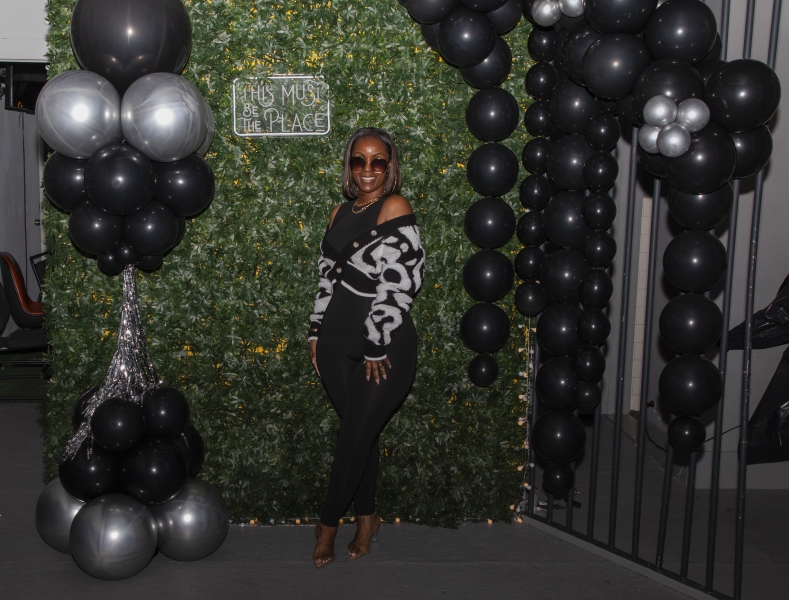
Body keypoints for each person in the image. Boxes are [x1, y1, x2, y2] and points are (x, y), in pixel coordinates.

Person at [307, 128, 425, 567]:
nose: (368, 170)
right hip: (335, 342)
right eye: (359, 160)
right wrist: (315, 332)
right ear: (349, 166)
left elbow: (401, 282)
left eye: (378, 161)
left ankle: (326, 526)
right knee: (360, 434)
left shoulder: (395, 206)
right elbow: (327, 280)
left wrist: (376, 342)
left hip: (386, 344)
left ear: (390, 166)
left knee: (353, 438)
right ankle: (367, 518)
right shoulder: (338, 212)